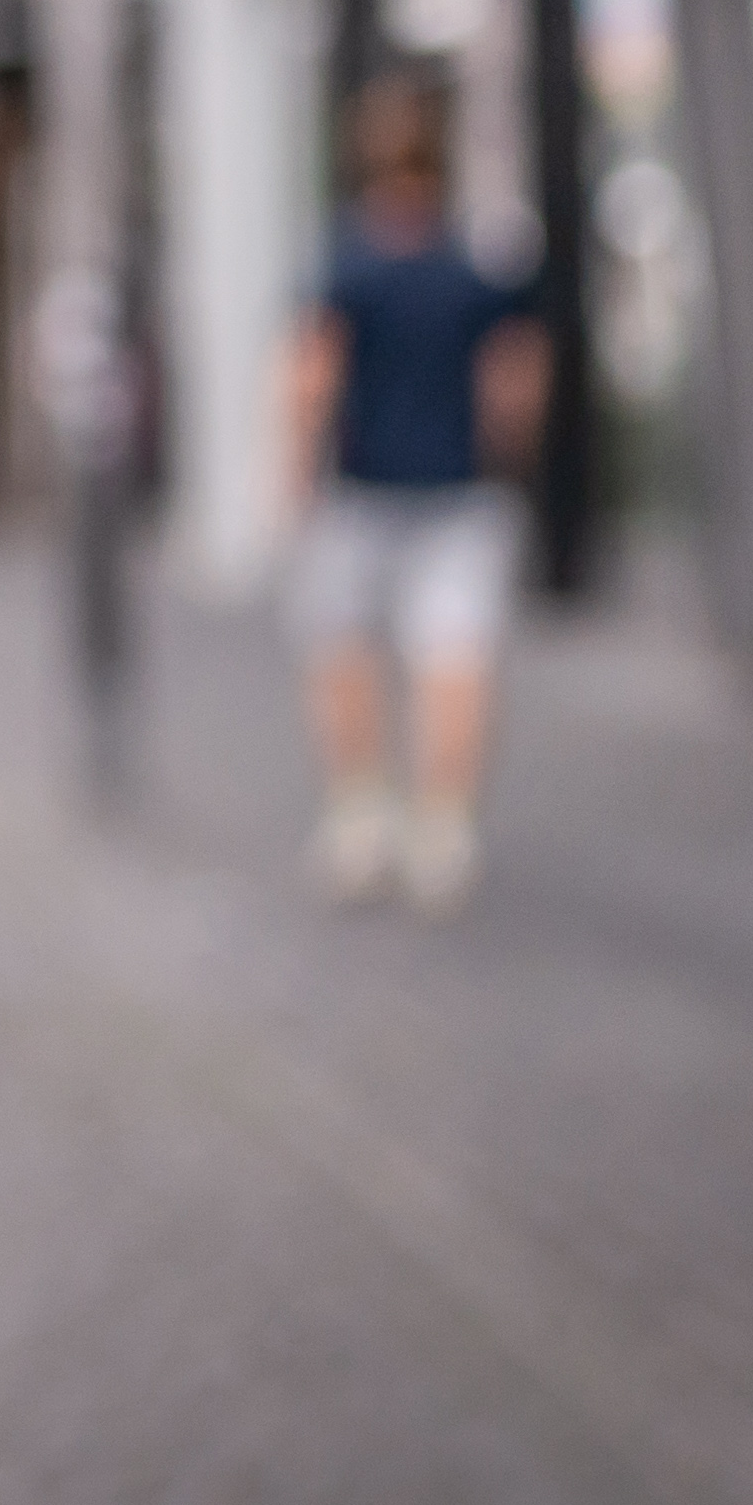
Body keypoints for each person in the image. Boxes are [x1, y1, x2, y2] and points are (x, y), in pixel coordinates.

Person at [280, 82, 540, 911]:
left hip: (360, 492)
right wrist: (504, 452)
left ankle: (360, 813)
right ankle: (443, 827)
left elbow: (309, 379)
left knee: (342, 649)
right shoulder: (472, 271)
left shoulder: (344, 265)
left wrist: (292, 477)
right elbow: (515, 389)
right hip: (459, 493)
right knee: (453, 658)